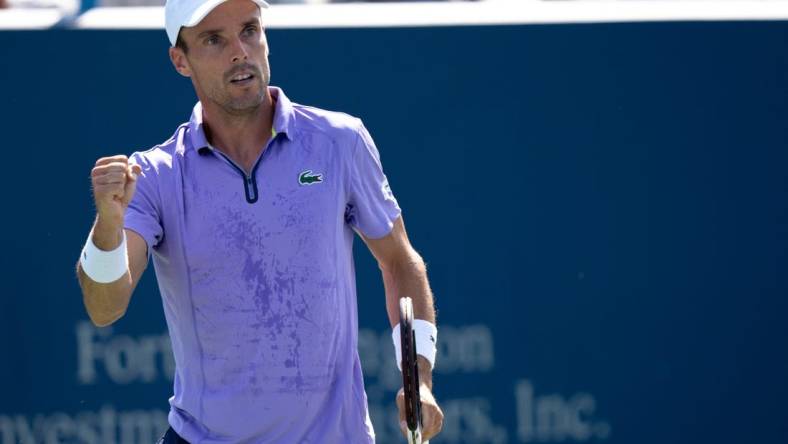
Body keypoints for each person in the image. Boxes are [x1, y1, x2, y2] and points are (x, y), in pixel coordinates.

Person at [75, 0, 444, 442]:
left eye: (249, 30)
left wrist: (418, 377)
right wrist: (109, 227)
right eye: (214, 40)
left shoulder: (339, 142)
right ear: (180, 60)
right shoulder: (154, 176)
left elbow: (400, 264)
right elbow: (104, 306)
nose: (240, 52)